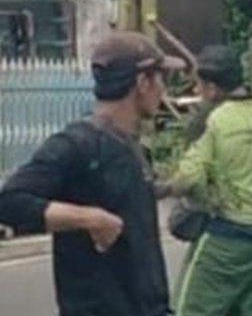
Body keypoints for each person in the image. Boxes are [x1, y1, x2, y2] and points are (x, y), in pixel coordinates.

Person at [0, 31, 181, 316]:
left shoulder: (131, 146)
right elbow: (9, 201)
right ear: (142, 82)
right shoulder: (77, 144)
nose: (164, 90)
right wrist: (89, 219)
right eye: (161, 78)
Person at [159, 45, 252, 316]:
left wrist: (156, 189)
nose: (196, 92)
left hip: (229, 241)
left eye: (199, 86)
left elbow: (189, 178)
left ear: (214, 89)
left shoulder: (217, 120)